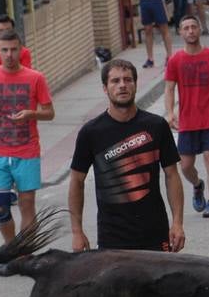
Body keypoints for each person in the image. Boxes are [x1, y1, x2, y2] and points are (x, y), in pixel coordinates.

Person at [70, 58, 186, 252]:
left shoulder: (157, 126)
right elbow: (76, 181)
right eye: (115, 81)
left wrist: (177, 223)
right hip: (112, 238)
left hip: (155, 235)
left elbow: (172, 175)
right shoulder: (91, 133)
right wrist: (77, 231)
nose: (122, 85)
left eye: (128, 79)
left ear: (135, 84)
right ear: (105, 88)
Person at [0, 30, 55, 243]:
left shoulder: (35, 78)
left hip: (27, 151)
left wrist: (31, 114)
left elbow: (49, 113)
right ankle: (11, 247)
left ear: (21, 50)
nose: (9, 55)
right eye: (5, 50)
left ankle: (24, 252)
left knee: (27, 204)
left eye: (14, 50)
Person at [165, 15, 209, 219]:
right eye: (186, 28)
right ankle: (198, 185)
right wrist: (170, 113)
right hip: (188, 121)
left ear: (199, 30)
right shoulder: (175, 60)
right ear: (181, 32)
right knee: (186, 165)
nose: (190, 31)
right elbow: (169, 88)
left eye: (193, 27)